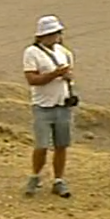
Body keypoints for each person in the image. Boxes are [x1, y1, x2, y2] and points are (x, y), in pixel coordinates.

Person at [22, 15, 75, 198]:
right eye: (52, 33)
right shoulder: (31, 53)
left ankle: (59, 180)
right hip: (43, 105)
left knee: (61, 145)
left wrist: (67, 77)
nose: (55, 36)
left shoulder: (64, 52)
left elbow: (70, 74)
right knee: (41, 145)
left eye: (57, 33)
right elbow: (32, 79)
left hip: (62, 103)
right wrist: (55, 74)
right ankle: (35, 175)